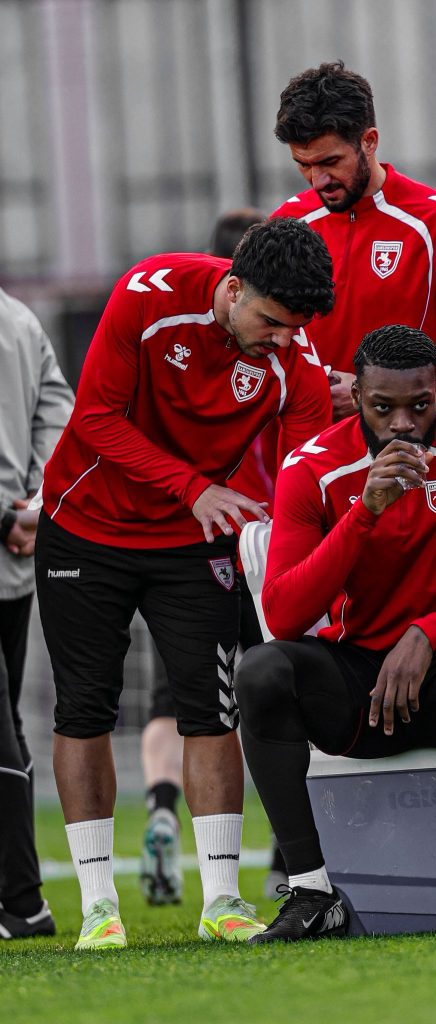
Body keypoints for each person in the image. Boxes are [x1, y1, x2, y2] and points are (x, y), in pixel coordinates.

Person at [35, 218, 335, 949]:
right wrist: (194, 487)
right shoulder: (150, 293)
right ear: (232, 289)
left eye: (294, 328)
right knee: (84, 711)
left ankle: (223, 900)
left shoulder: (295, 357)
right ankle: (100, 907)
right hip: (85, 527)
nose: (281, 339)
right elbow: (97, 417)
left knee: (210, 713)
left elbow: (307, 468)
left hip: (196, 545)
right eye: (269, 322)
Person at [235, 325, 436, 941]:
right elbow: (282, 615)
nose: (404, 424)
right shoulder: (312, 467)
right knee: (261, 670)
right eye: (383, 408)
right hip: (358, 691)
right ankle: (311, 893)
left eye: (421, 405)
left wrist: (428, 633)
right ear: (356, 396)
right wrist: (366, 512)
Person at [138, 206, 268, 908]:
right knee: (272, 684)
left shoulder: (179, 344)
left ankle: (161, 805)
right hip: (257, 536)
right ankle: (284, 849)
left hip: (182, 540)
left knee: (178, 700)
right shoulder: (270, 354)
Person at [271, 61, 436, 419]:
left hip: (409, 446)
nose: (317, 180)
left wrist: (376, 395)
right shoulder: (286, 224)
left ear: (369, 141)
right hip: (313, 449)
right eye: (303, 164)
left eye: (330, 161)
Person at [0, 288, 73, 940]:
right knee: (8, 728)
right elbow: (59, 417)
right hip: (15, 560)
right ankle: (21, 902)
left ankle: (21, 902)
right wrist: (35, 505)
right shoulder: (20, 320)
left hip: (9, 541)